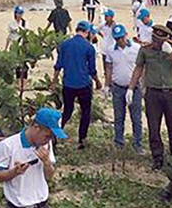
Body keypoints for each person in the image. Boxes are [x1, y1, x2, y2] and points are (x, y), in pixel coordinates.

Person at [128, 25, 172, 169]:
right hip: (153, 93)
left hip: (170, 92)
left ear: (166, 39)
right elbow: (139, 68)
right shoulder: (145, 50)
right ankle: (157, 158)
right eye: (155, 39)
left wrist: (171, 53)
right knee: (154, 128)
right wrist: (131, 87)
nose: (157, 43)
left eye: (160, 40)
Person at [51, 21, 102, 149]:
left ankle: (54, 134)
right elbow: (92, 70)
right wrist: (98, 81)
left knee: (67, 111)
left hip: (68, 83)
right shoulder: (88, 47)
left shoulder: (65, 44)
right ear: (88, 32)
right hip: (83, 84)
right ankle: (81, 140)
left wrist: (54, 80)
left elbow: (58, 65)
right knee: (85, 112)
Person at [105, 24, 143, 154]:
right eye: (117, 39)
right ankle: (119, 142)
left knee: (136, 118)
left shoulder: (136, 48)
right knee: (118, 116)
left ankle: (137, 143)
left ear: (126, 35)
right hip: (118, 87)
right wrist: (107, 84)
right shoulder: (110, 50)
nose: (120, 41)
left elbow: (141, 67)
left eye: (121, 37)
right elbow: (109, 67)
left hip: (134, 88)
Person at [98, 9, 116, 75]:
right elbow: (97, 30)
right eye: (105, 16)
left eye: (107, 16)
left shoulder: (114, 26)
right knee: (105, 65)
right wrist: (102, 35)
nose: (105, 17)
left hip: (112, 47)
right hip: (104, 48)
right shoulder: (103, 25)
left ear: (111, 17)